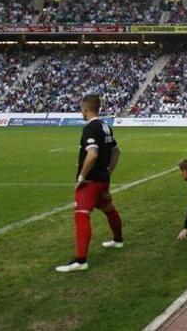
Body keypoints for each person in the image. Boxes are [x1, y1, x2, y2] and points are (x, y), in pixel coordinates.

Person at [56, 95, 123, 273]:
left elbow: (92, 154)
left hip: (90, 181)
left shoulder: (90, 129)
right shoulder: (106, 127)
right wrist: (108, 171)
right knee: (109, 208)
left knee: (81, 215)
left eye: (81, 108)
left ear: (85, 109)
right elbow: (117, 152)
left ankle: (80, 260)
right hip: (103, 180)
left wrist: (81, 177)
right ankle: (118, 240)